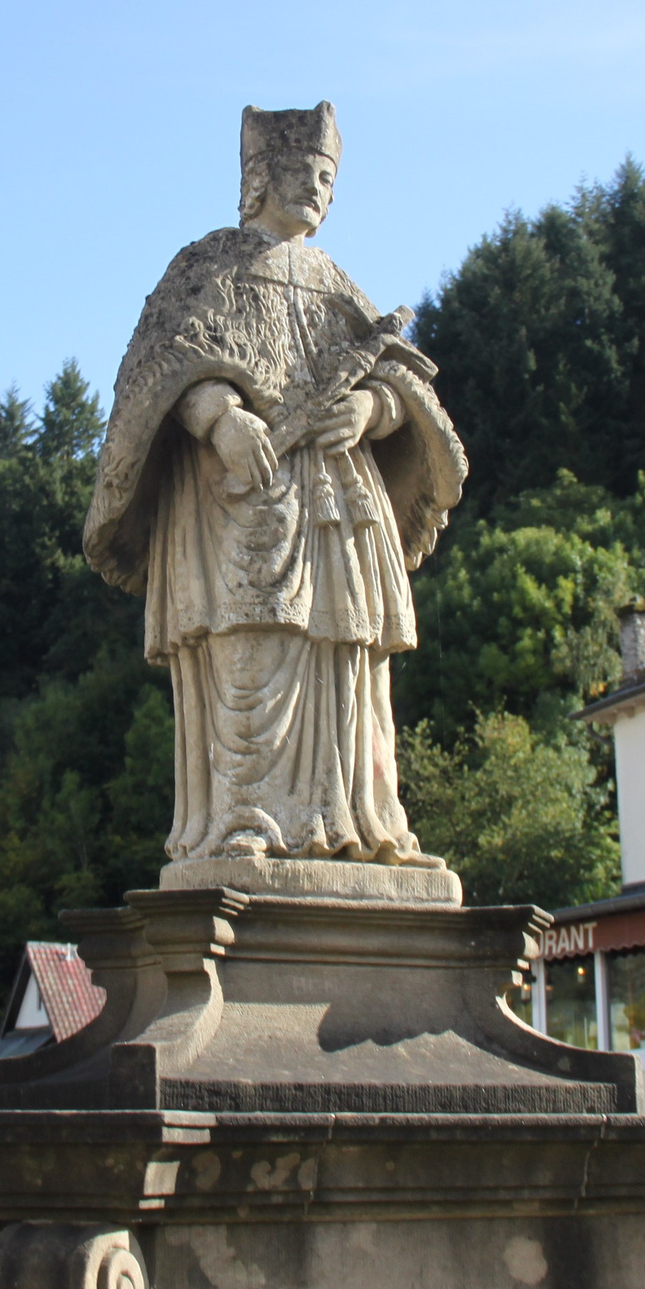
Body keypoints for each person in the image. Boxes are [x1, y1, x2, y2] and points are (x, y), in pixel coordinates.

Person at [84, 103, 465, 866]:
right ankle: (244, 817)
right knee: (250, 653)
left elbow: (400, 375)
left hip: (336, 511)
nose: (321, 188)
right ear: (260, 175)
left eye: (330, 176)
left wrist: (372, 406)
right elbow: (156, 368)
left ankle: (357, 821)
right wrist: (217, 414)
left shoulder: (338, 286)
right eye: (307, 171)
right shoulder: (205, 268)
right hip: (241, 508)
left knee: (349, 661)